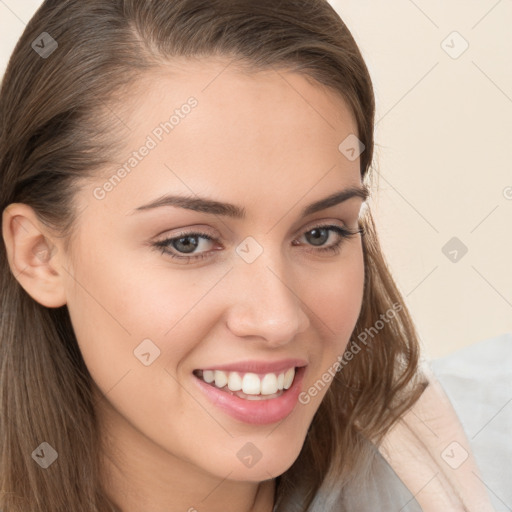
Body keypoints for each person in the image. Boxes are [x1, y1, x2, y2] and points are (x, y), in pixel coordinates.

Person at [0, 1, 496, 511]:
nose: (277, 319)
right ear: (40, 255)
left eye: (321, 234)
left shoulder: (481, 450)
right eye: (188, 242)